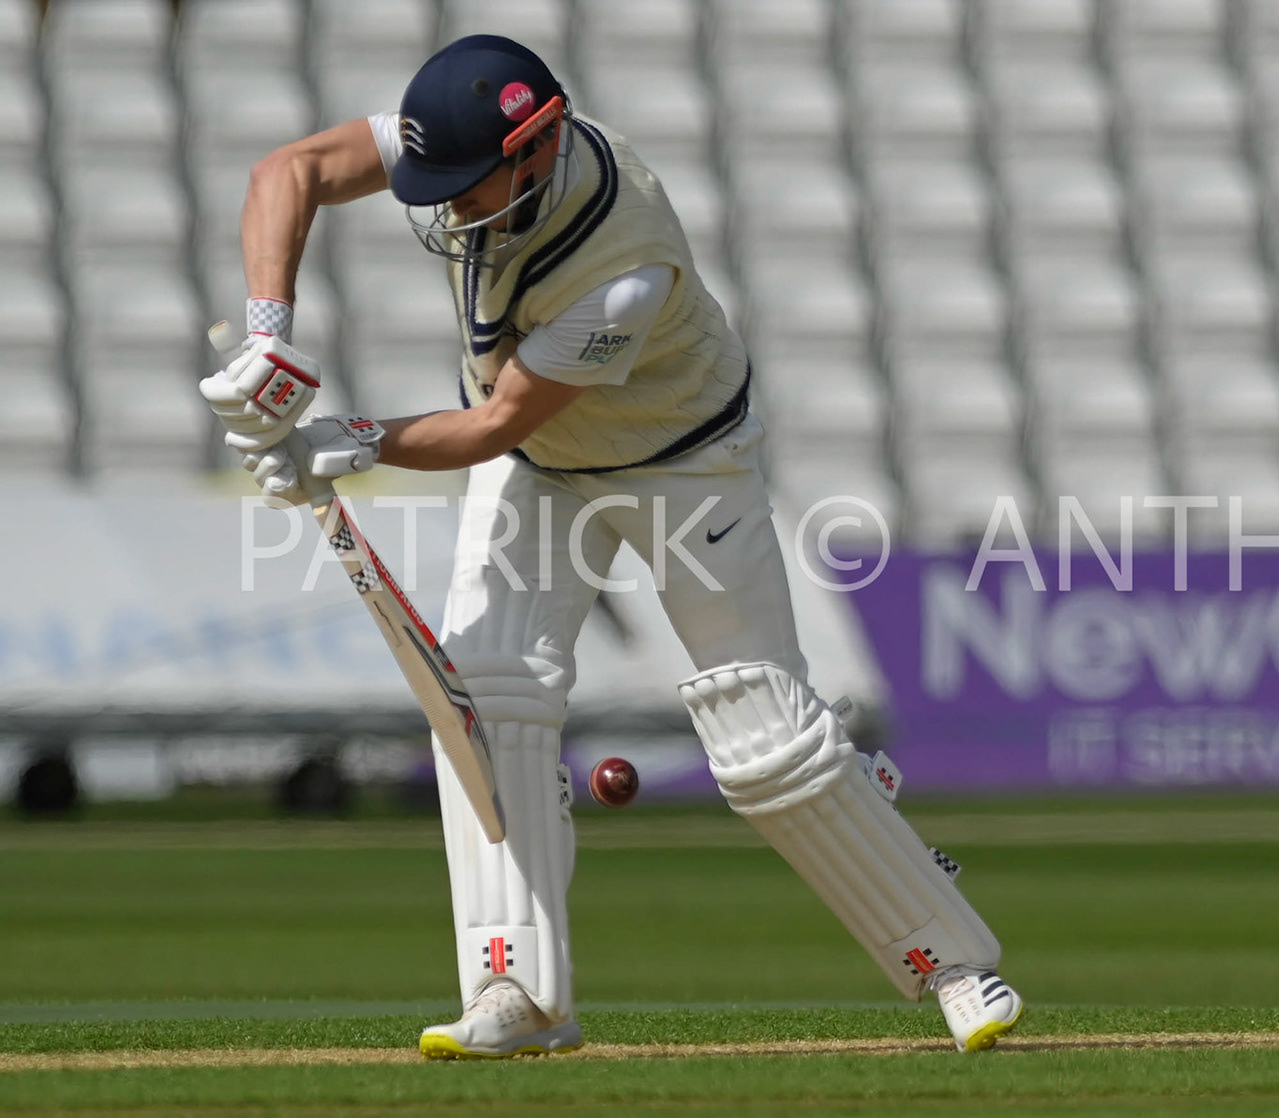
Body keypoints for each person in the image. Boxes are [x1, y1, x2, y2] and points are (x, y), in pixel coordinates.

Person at [199, 35, 1022, 1059]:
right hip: (544, 465)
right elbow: (294, 171)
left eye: (468, 185)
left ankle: (950, 959)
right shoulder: (476, 142)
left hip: (681, 463)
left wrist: (347, 441)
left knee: (765, 743)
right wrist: (270, 332)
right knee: (489, 704)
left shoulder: (621, 267)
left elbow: (495, 421)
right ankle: (519, 991)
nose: (452, 207)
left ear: (536, 148)